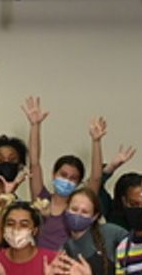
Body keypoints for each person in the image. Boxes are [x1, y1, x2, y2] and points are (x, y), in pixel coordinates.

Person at [22, 96, 105, 251]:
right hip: (41, 264)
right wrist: (35, 126)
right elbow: (34, 162)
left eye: (73, 178)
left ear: (79, 183)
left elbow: (96, 178)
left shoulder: (78, 207)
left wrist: (96, 142)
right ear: (54, 174)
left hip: (68, 266)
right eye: (63, 175)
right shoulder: (42, 198)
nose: (67, 180)